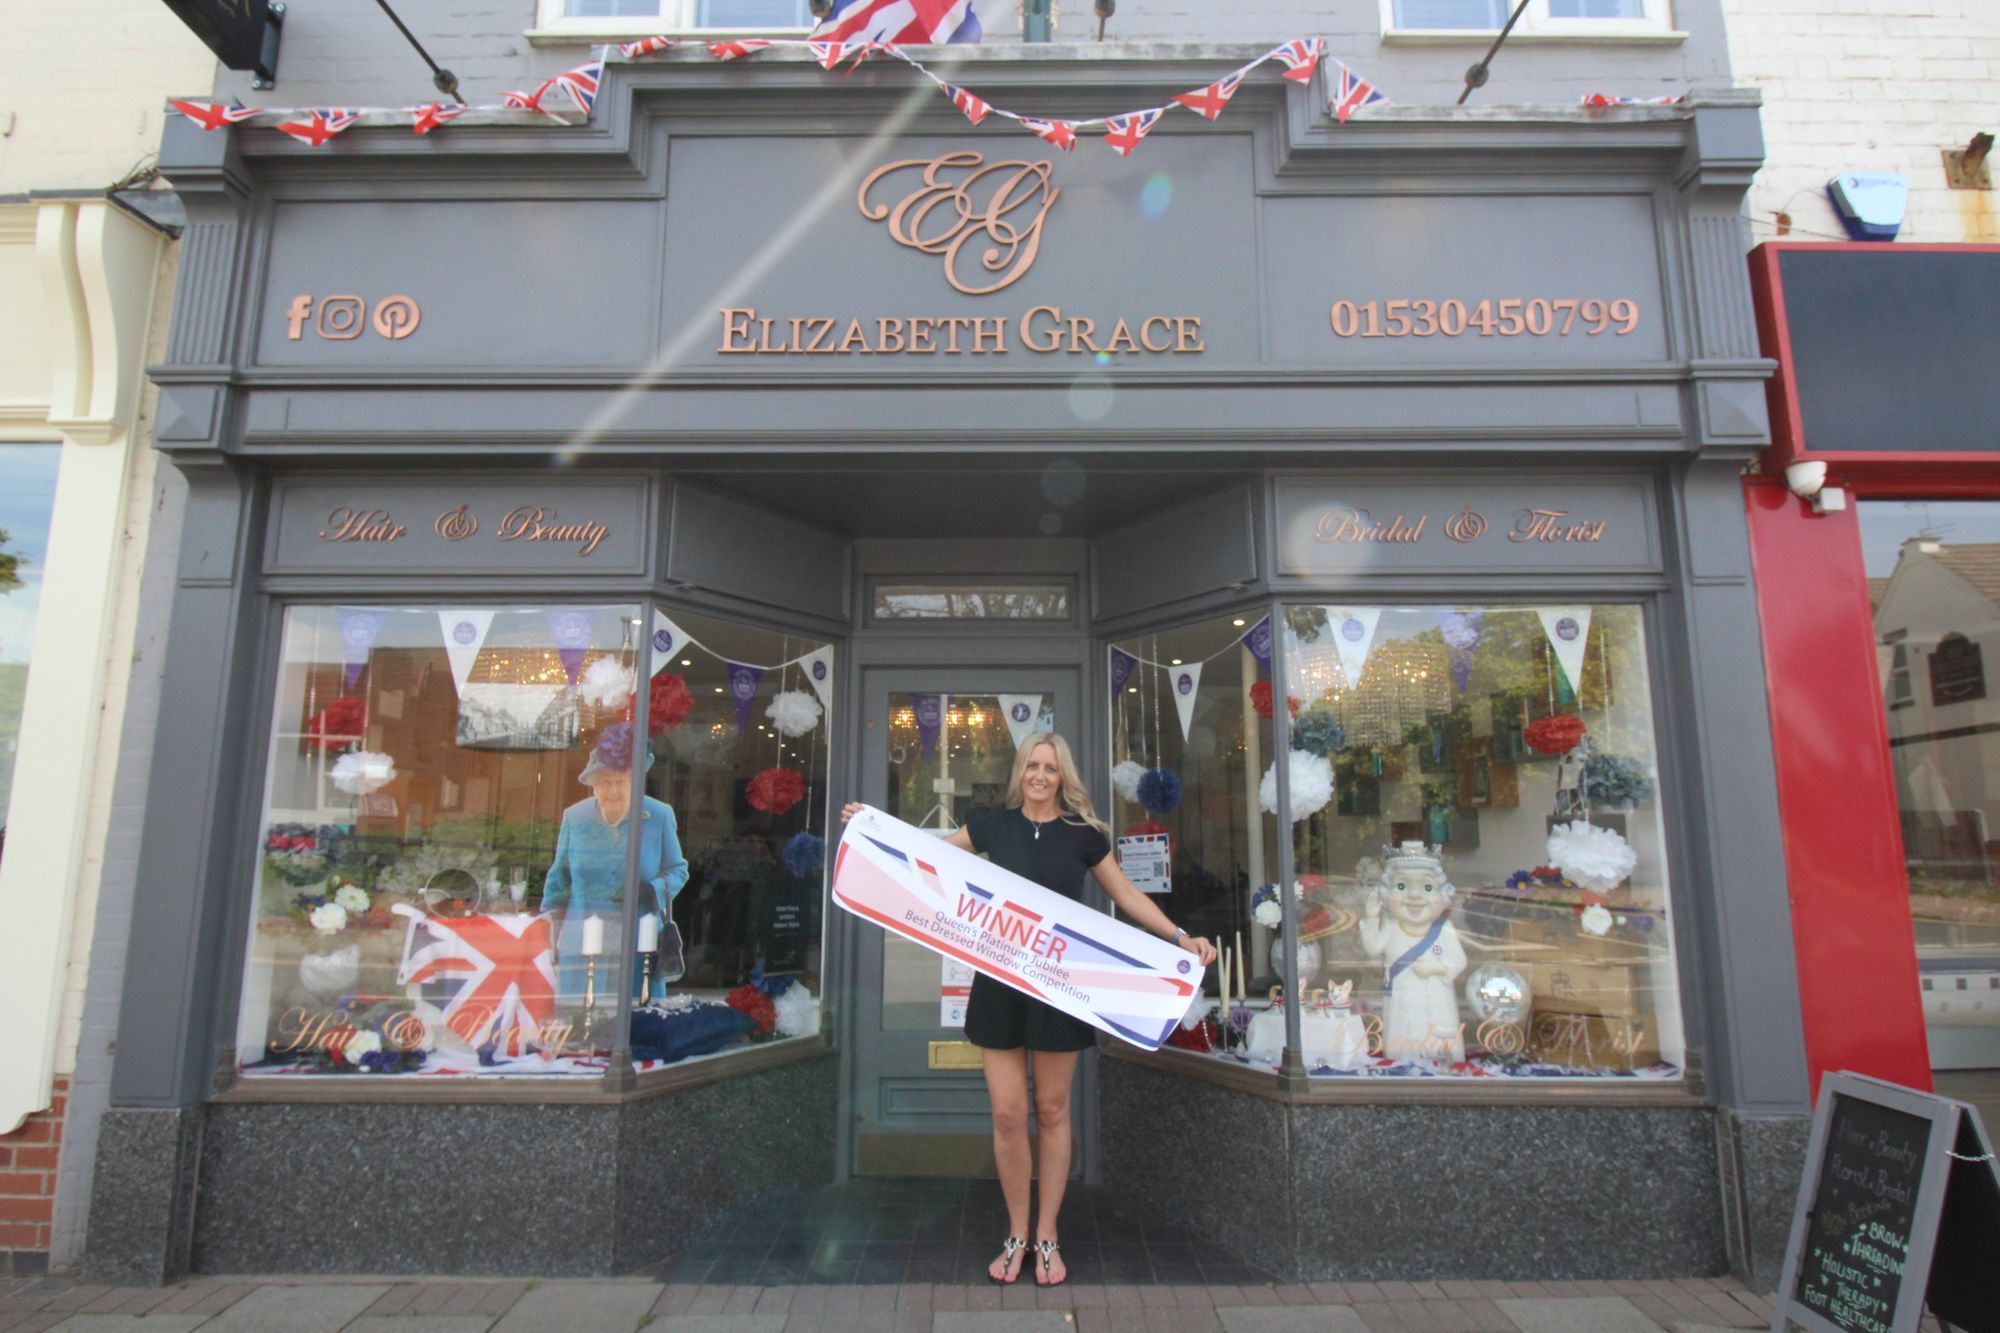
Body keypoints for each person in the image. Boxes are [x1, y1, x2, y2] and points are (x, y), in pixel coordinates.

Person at [843, 732, 1216, 1288]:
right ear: (1021, 772)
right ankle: (1016, 1233)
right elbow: (925, 855)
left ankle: (1048, 1234)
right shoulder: (992, 824)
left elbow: (1128, 897)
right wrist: (872, 828)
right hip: (1000, 986)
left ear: (1063, 776)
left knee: (1053, 1111)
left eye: (1050, 767)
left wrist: (1180, 935)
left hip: (1062, 990)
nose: (1041, 775)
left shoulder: (1084, 836)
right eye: (1032, 766)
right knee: (1008, 1115)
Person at [544, 722, 690, 1004]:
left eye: (621, 781)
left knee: (635, 1021)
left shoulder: (658, 815)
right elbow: (559, 878)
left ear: (634, 782)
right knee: (580, 1017)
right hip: (583, 939)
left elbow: (678, 870)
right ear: (594, 786)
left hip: (638, 940)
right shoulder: (575, 818)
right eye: (605, 782)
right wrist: (545, 930)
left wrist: (654, 890)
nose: (613, 790)